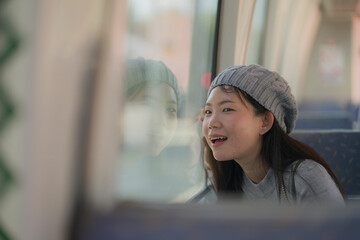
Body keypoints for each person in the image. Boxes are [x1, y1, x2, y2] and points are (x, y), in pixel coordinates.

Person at [195, 64, 346, 205]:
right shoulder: (228, 177)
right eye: (208, 112)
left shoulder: (306, 179)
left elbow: (339, 233)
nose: (211, 123)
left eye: (227, 109)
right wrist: (213, 167)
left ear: (265, 122)